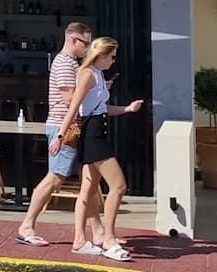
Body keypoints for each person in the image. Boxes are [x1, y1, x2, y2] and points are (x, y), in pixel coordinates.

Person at [12, 21, 91, 247]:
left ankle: (99, 231)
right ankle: (27, 225)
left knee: (87, 179)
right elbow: (69, 98)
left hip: (67, 126)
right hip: (63, 126)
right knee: (55, 177)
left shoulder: (70, 63)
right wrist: (91, 90)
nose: (87, 48)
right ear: (73, 40)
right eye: (85, 43)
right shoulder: (65, 63)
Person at [67, 37, 144, 261]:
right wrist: (60, 135)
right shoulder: (87, 74)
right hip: (93, 136)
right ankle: (109, 239)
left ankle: (80, 241)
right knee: (119, 186)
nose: (114, 60)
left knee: (88, 190)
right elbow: (74, 107)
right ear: (101, 55)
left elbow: (102, 108)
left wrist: (127, 109)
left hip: (98, 132)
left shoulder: (99, 75)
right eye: (112, 56)